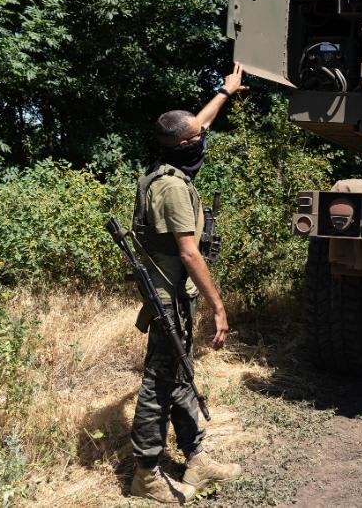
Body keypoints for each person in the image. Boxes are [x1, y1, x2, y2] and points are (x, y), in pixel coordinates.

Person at [128, 62, 248, 504]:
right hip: (169, 297)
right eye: (197, 138)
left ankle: (196, 457)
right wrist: (219, 305)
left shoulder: (168, 164)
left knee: (180, 372)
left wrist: (225, 91)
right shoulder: (172, 189)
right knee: (159, 382)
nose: (203, 139)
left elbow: (199, 124)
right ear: (181, 146)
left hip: (176, 295)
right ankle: (145, 473)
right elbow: (189, 252)